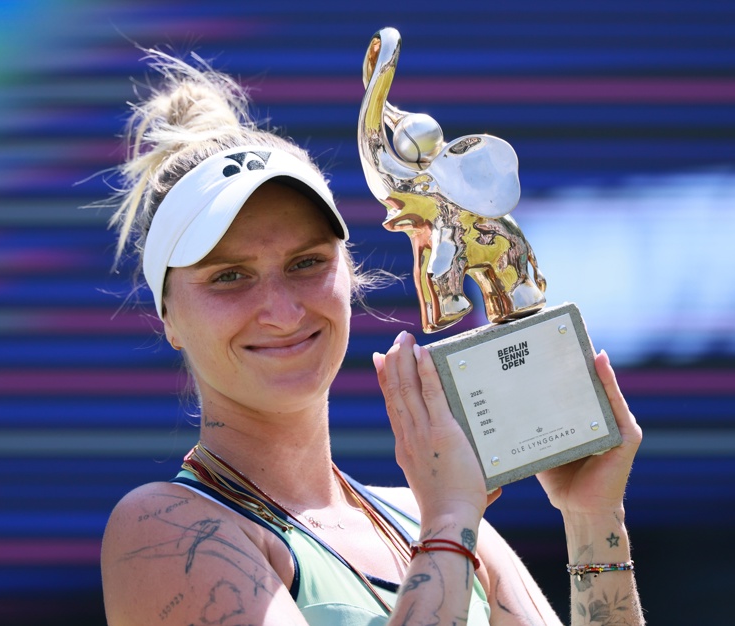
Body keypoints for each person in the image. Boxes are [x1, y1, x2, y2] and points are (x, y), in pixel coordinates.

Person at [100, 49, 645, 626]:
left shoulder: (429, 511)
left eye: (307, 263)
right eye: (229, 277)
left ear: (348, 276)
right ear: (169, 317)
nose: (281, 311)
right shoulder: (162, 527)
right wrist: (447, 525)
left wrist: (592, 518)